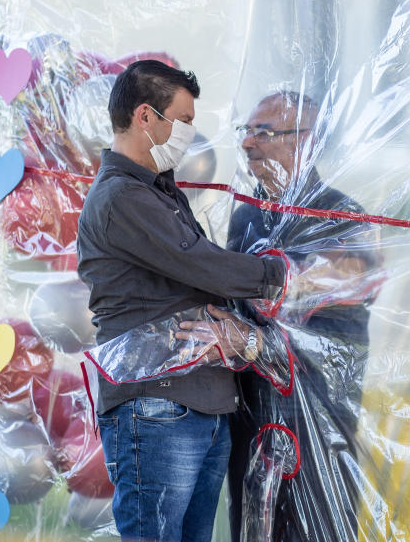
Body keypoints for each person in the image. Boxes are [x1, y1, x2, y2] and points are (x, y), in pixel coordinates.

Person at [75, 60, 288, 542]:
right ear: (146, 117)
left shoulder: (159, 191)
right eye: (184, 120)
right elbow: (203, 265)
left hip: (201, 407)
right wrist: (282, 274)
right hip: (157, 409)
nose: (190, 134)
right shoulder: (121, 198)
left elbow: (199, 278)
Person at [224, 91, 380, 541]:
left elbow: (355, 277)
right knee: (254, 525)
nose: (248, 144)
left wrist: (287, 280)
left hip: (316, 414)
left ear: (307, 141)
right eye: (246, 131)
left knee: (319, 527)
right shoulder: (245, 217)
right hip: (252, 409)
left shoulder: (340, 213)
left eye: (264, 132)